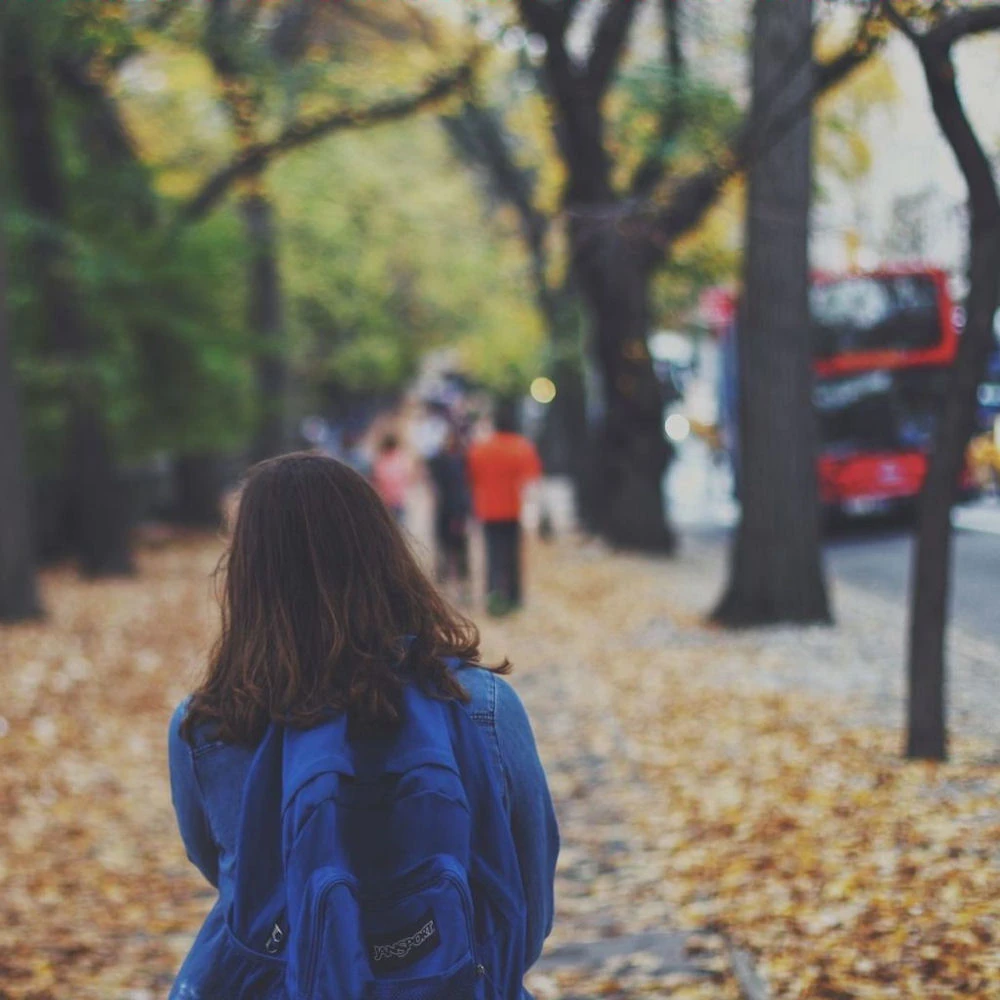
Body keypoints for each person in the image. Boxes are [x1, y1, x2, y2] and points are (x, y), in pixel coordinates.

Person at [167, 453, 558, 999]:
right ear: (387, 554)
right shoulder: (482, 705)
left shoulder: (209, 726)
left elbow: (233, 878)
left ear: (247, 575)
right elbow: (527, 900)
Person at [467, 402, 543, 616]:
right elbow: (531, 481)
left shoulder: (481, 448)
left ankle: (493, 596)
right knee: (512, 555)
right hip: (513, 509)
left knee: (492, 555)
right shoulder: (521, 447)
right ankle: (514, 597)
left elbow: (472, 477)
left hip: (488, 509)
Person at [427, 426, 472, 601]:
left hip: (453, 510)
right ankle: (453, 586)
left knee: (455, 550)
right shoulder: (452, 461)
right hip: (448, 510)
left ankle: (458, 587)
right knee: (450, 549)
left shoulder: (458, 461)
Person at [371, 432, 411, 522]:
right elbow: (407, 477)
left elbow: (376, 480)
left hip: (385, 500)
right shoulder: (401, 459)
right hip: (397, 500)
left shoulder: (380, 460)